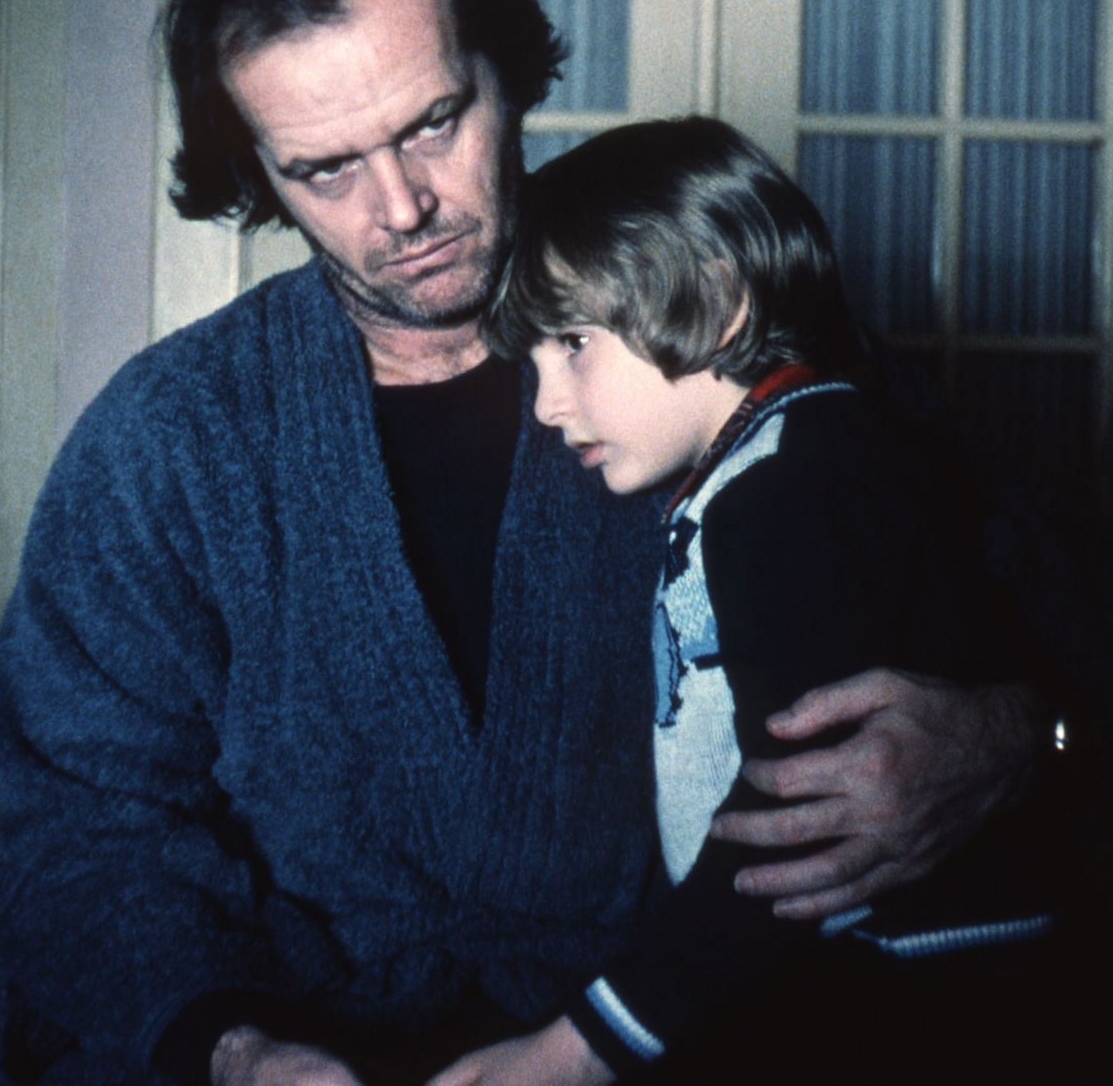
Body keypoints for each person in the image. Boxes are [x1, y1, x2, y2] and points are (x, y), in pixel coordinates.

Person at [0, 0, 1051, 1086]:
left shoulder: (722, 335)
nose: (401, 208)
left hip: (673, 1027)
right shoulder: (171, 438)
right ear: (257, 175)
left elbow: (1082, 618)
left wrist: (1023, 734)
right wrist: (229, 1049)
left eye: (433, 122)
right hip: (294, 1028)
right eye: (325, 169)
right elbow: (73, 812)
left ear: (509, 71)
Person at [425, 117, 1059, 1086]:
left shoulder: (787, 488)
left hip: (906, 993)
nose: (547, 400)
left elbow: (792, 832)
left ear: (718, 302)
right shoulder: (769, 464)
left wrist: (579, 1047)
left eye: (574, 343)